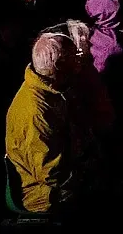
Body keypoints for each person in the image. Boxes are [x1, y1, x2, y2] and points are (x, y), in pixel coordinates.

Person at [5, 32, 90, 214]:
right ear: (59, 68)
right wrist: (85, 173)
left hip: (62, 173)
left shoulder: (49, 90)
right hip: (41, 193)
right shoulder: (35, 112)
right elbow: (51, 175)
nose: (78, 61)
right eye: (74, 57)